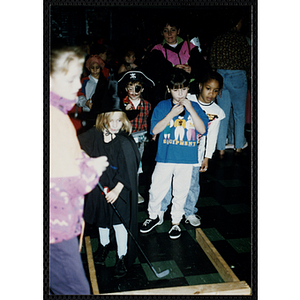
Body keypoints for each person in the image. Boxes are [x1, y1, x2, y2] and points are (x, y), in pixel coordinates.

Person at [49, 46, 109, 295]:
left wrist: (83, 161)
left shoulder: (56, 113)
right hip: (55, 229)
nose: (78, 85)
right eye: (70, 78)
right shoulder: (53, 119)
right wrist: (92, 170)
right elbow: (63, 183)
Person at [78, 78, 140, 278]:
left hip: (118, 189)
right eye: (110, 120)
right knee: (102, 220)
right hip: (100, 187)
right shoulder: (94, 135)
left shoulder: (124, 142)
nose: (114, 125)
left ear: (123, 120)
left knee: (119, 223)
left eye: (118, 120)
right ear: (103, 118)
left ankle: (122, 255)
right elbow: (76, 145)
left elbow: (129, 169)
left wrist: (117, 190)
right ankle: (104, 246)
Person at [139, 69, 209, 239]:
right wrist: (171, 114)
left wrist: (191, 110)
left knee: (181, 191)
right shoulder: (162, 106)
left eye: (184, 89)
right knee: (156, 188)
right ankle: (153, 216)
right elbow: (155, 129)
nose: (180, 93)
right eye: (176, 89)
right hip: (165, 157)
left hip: (187, 159)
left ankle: (176, 221)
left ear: (188, 89)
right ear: (169, 89)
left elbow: (202, 129)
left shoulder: (195, 106)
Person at [159, 71, 225, 226]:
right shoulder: (188, 98)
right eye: (208, 88)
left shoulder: (217, 112)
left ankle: (189, 211)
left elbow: (212, 136)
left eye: (215, 90)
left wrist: (207, 157)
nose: (211, 93)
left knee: (192, 184)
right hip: (176, 150)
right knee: (168, 181)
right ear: (200, 86)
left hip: (195, 153)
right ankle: (161, 209)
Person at [209, 14, 250, 157]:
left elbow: (212, 61)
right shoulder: (241, 39)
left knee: (222, 114)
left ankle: (220, 148)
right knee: (239, 114)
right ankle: (238, 147)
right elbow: (247, 60)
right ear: (237, 23)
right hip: (238, 76)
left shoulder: (219, 39)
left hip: (221, 77)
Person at [145, 17, 210, 101]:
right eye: (165, 30)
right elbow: (156, 73)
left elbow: (204, 68)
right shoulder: (157, 50)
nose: (169, 34)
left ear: (178, 31)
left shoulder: (189, 46)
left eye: (173, 30)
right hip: (169, 92)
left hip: (191, 90)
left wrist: (192, 70)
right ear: (162, 33)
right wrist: (173, 70)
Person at [118, 70, 155, 203]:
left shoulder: (147, 105)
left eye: (137, 88)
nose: (133, 92)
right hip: (124, 138)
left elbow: (149, 121)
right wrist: (123, 112)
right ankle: (122, 189)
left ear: (142, 89)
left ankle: (135, 190)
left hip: (140, 138)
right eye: (130, 88)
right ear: (126, 88)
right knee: (123, 164)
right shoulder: (121, 103)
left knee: (137, 165)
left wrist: (152, 134)